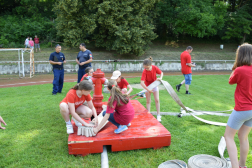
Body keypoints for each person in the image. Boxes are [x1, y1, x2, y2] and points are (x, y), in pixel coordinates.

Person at [224, 43, 252, 168]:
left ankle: (235, 167)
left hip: (242, 109)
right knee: (243, 136)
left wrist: (235, 68)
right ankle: (242, 165)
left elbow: (230, 81)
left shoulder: (240, 70)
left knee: (228, 136)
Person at [140, 56, 163, 122]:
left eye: (147, 68)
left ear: (151, 65)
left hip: (154, 85)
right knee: (148, 101)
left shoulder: (155, 67)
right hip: (148, 87)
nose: (146, 69)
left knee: (157, 100)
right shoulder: (144, 71)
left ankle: (158, 115)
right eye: (145, 68)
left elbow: (161, 73)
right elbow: (142, 83)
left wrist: (160, 78)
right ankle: (148, 113)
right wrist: (148, 89)